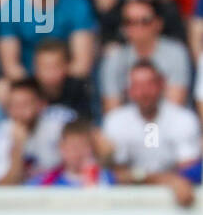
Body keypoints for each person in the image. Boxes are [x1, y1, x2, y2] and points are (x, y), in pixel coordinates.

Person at [103, 60, 200, 206]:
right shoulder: (116, 121)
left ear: (162, 85)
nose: (143, 92)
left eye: (149, 84)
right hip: (128, 201)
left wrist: (138, 177)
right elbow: (117, 175)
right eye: (137, 86)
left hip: (175, 202)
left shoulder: (183, 119)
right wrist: (167, 180)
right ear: (129, 90)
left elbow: (189, 171)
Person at [0, 77, 74, 183]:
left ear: (41, 105)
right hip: (24, 196)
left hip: (61, 190)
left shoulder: (61, 121)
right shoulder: (0, 134)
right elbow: (4, 186)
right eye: (13, 105)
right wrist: (17, 148)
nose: (19, 111)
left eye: (25, 104)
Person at [29, 119, 114, 186]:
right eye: (72, 147)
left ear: (91, 148)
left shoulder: (105, 178)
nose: (77, 152)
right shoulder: (46, 181)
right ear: (61, 148)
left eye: (83, 146)